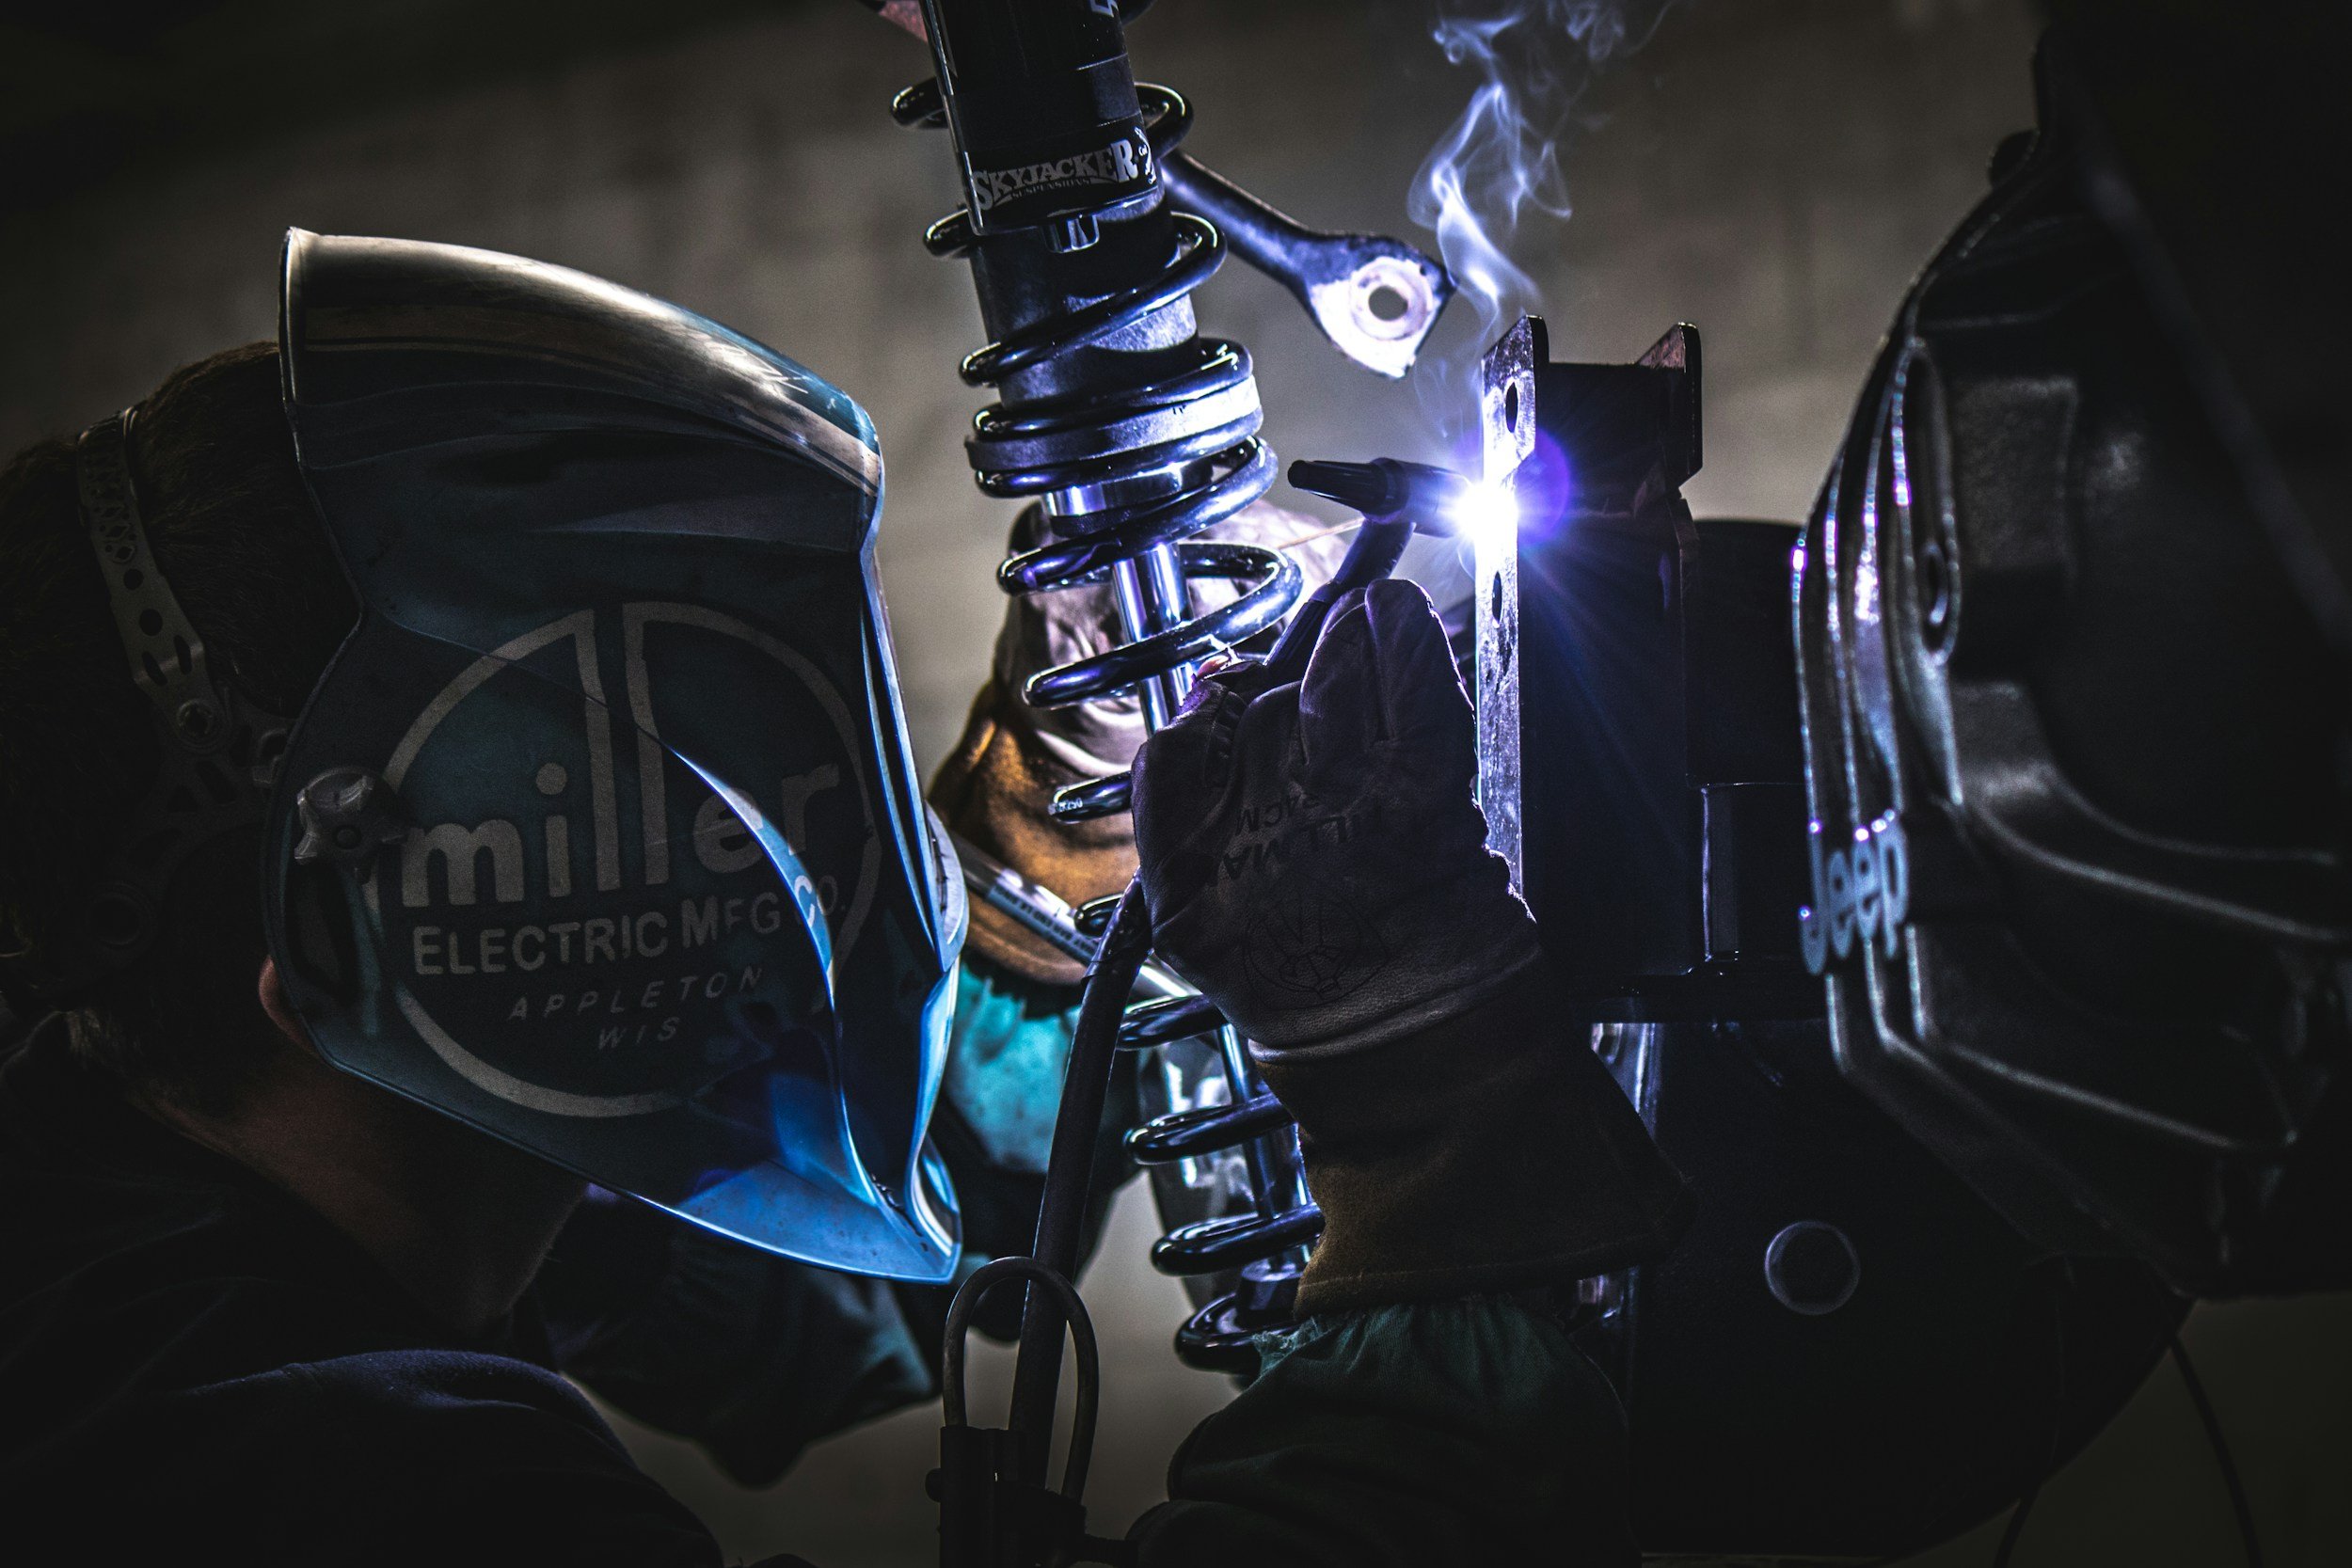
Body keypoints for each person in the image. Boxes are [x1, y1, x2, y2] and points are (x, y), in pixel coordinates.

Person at [0, 230, 1690, 1566]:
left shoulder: (193, 1168)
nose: (752, 851)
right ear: (352, 922)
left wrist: (1060, 796)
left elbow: (832, 1280)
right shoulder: (295, 1478)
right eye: (649, 778)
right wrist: (1431, 1132)